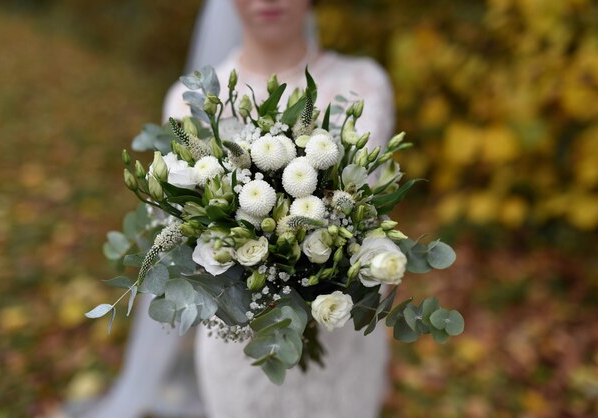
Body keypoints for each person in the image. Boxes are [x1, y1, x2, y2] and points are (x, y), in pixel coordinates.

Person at [78, 0, 395, 417]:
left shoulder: (364, 83)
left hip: (341, 335)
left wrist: (371, 282)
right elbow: (186, 239)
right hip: (242, 350)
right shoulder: (190, 102)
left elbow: (378, 217)